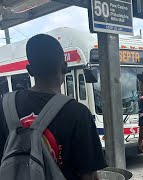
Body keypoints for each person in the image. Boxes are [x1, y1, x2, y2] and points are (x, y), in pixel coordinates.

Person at [0, 34, 107, 180]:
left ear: (29, 70)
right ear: (64, 67)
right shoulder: (78, 113)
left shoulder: (4, 106)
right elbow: (88, 175)